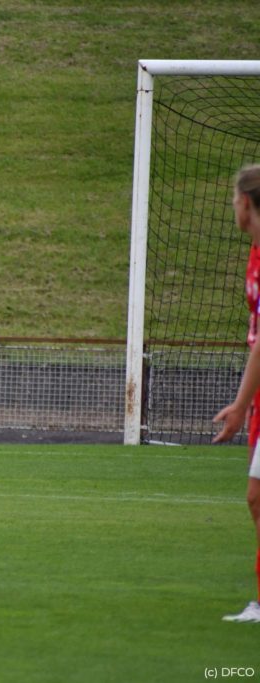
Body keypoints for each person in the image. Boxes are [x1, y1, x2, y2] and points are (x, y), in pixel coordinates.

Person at [213, 163, 260, 622]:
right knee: (256, 497)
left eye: (233, 198)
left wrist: (239, 405)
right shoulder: (255, 253)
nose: (232, 206)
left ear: (245, 203)